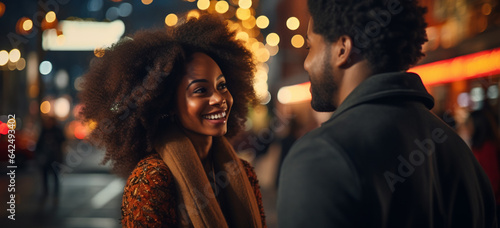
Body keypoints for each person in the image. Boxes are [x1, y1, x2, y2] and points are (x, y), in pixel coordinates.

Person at [277, 0, 497, 227]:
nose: (306, 63)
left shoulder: (321, 156)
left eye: (309, 47)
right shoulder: (461, 154)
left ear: (342, 49)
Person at [80, 14, 266, 227]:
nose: (219, 99)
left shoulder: (244, 172)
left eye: (222, 86)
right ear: (168, 103)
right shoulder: (151, 179)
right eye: (200, 90)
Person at [467, 109, 500, 219]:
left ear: (478, 124)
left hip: (492, 204)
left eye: (470, 122)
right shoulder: (479, 146)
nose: (468, 126)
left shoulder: (487, 148)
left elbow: (493, 180)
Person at [36, 116, 65, 197]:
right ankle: (45, 191)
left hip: (55, 157)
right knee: (44, 176)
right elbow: (39, 144)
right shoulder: (44, 131)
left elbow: (62, 140)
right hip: (45, 157)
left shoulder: (57, 130)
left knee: (55, 176)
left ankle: (55, 192)